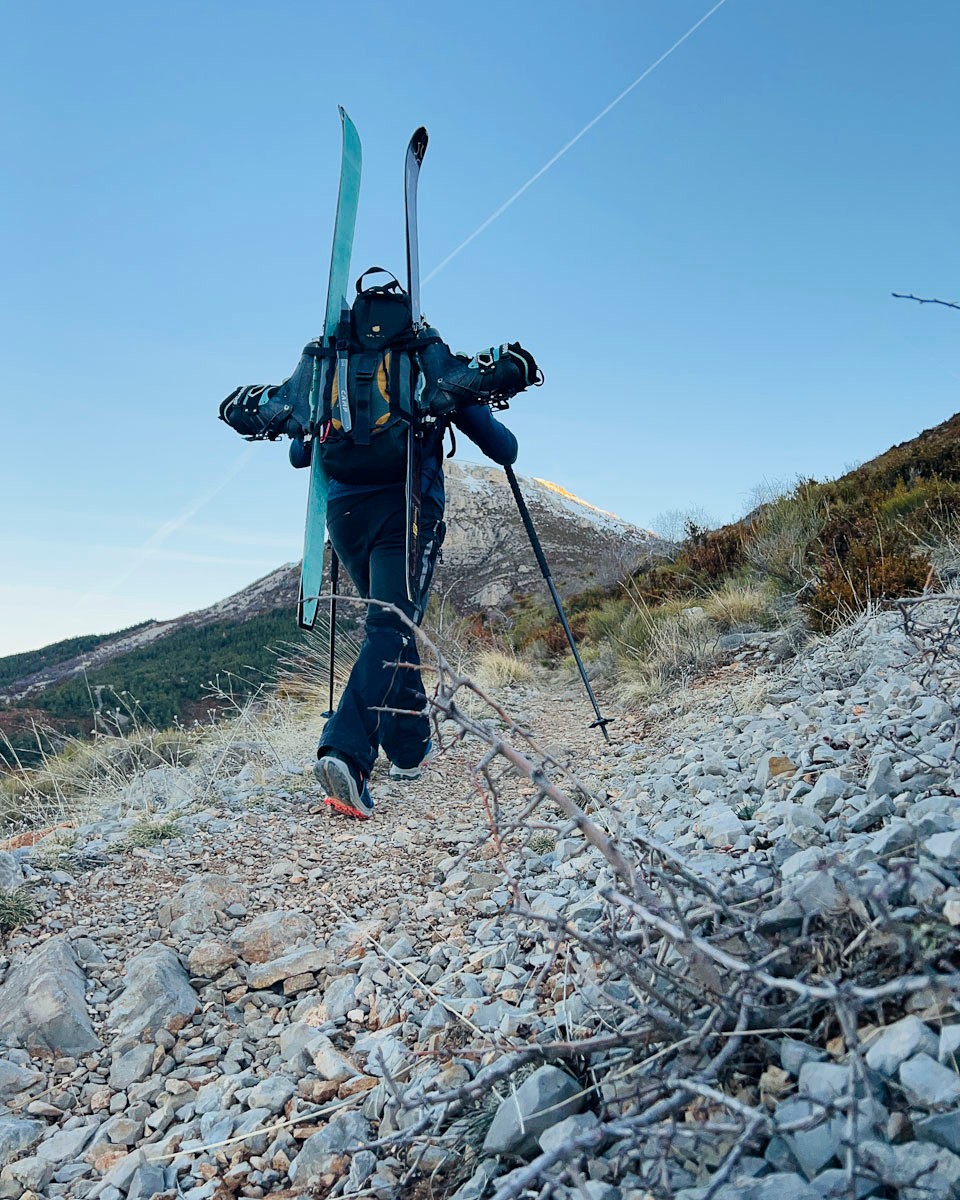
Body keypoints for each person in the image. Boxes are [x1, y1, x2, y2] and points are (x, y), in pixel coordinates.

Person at [219, 278, 538, 819]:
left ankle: (410, 747)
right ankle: (347, 752)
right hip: (407, 507)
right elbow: (503, 446)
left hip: (344, 515)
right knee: (393, 626)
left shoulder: (330, 366)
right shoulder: (420, 360)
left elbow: (302, 455)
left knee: (393, 627)